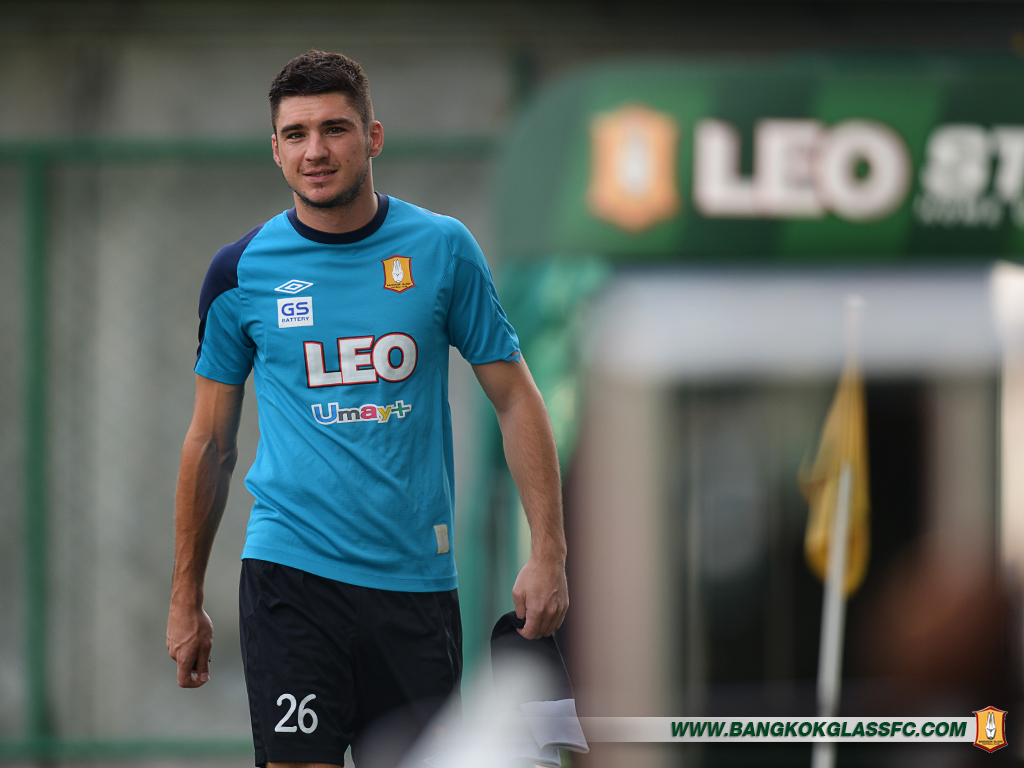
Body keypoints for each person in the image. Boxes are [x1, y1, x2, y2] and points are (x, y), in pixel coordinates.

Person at [165, 50, 568, 768]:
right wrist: (184, 597)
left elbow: (515, 398)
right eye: (296, 134)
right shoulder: (239, 272)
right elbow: (210, 444)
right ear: (276, 150)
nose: (315, 151)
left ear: (373, 137)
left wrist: (549, 552)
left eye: (334, 129)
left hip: (415, 585)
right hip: (290, 577)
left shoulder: (443, 249)